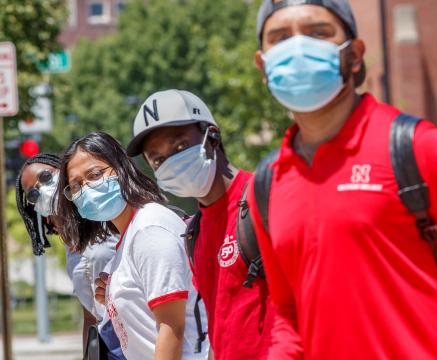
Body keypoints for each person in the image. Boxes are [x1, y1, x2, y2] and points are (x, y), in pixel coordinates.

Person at [249, 0, 437, 359]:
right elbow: (287, 312)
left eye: (317, 33)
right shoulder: (266, 184)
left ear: (354, 55)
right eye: (279, 38)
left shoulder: (419, 148)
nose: (296, 48)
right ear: (263, 66)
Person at [126, 89, 275, 359]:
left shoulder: (263, 200)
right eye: (158, 159)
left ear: (212, 136)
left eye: (180, 146)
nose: (170, 161)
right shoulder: (194, 232)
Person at [56, 132, 208, 360]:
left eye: (95, 174)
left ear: (121, 168)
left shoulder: (149, 229)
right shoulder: (129, 236)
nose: (86, 188)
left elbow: (171, 328)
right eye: (76, 186)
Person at [15, 153, 125, 359]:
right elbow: (91, 314)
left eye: (46, 177)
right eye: (33, 194)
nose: (42, 189)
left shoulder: (106, 216)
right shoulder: (69, 244)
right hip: (111, 347)